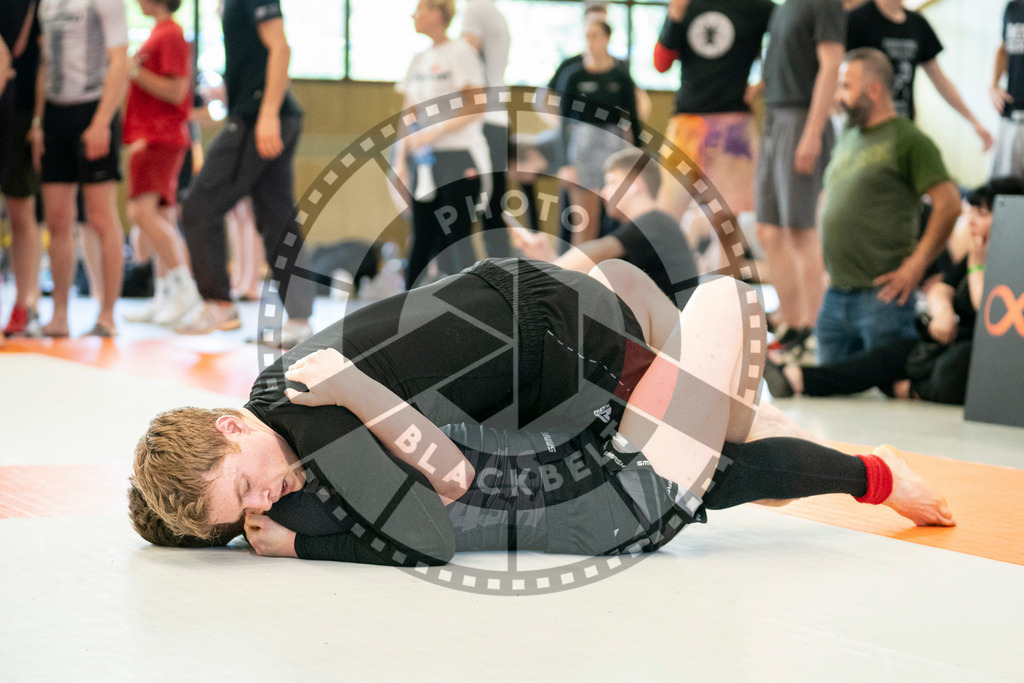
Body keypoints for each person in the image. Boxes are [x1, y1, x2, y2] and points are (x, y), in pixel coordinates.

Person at [131, 257, 954, 564]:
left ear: (230, 425)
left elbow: (437, 503)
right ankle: (862, 469)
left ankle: (868, 472)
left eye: (243, 486)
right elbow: (432, 508)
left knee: (716, 440)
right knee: (719, 424)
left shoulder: (304, 417)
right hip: (548, 342)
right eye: (242, 514)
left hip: (561, 354)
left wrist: (302, 542)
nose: (261, 501)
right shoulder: (283, 425)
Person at [766, 177, 1023, 405]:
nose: (971, 221)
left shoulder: (1004, 259)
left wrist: (977, 264)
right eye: (972, 211)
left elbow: (991, 313)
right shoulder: (978, 251)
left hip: (983, 354)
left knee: (955, 367)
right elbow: (942, 287)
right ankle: (798, 378)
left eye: (982, 213)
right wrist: (943, 311)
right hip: (948, 339)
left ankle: (910, 390)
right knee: (891, 354)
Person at [172, 0, 313, 349]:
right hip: (260, 112)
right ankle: (300, 321)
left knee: (199, 205)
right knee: (277, 218)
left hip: (257, 117)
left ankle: (219, 304)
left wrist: (267, 113)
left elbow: (280, 48)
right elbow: (256, 57)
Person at [817, 48, 960, 364]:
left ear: (873, 90)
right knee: (825, 389)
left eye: (846, 86)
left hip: (882, 297)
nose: (838, 95)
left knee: (889, 389)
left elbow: (949, 204)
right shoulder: (848, 137)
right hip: (835, 295)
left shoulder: (908, 139)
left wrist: (917, 264)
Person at [653, 0, 775, 277]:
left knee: (727, 221)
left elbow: (790, 42)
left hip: (733, 125)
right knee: (666, 214)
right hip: (687, 124)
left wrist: (761, 84)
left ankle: (727, 291)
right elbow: (660, 64)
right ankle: (658, 287)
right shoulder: (685, 5)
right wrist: (674, 16)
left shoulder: (758, 7)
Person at [755, 0, 846, 364]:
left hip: (800, 118)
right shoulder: (785, 7)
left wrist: (812, 132)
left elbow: (831, 64)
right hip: (775, 115)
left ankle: (813, 332)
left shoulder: (825, 4)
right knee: (768, 231)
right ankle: (793, 325)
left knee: (799, 230)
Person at [33, 0, 129, 338]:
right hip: (56, 113)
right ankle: (59, 315)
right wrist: (38, 122)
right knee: (57, 219)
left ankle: (107, 314)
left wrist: (101, 121)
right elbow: (46, 63)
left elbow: (120, 61)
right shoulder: (46, 4)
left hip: (93, 107)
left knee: (100, 217)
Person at [512, 147, 699, 309]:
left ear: (635, 185)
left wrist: (535, 274)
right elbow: (575, 275)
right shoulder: (648, 229)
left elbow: (595, 253)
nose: (603, 192)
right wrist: (546, 257)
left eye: (611, 183)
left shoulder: (656, 221)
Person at [394, 0, 490, 290]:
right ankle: (406, 307)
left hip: (459, 156)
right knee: (422, 237)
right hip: (425, 159)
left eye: (419, 9)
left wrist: (435, 131)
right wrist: (400, 160)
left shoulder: (461, 52)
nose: (413, 15)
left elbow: (477, 105)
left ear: (437, 14)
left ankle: (473, 307)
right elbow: (408, 112)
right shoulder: (419, 59)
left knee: (457, 238)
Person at [120, 0, 201, 327]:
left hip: (158, 135)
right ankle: (166, 294)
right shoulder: (161, 33)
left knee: (142, 213)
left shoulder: (170, 34)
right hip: (154, 134)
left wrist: (133, 71)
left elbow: (177, 90)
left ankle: (185, 288)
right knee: (161, 215)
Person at [847, 0, 993, 150]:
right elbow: (840, 76)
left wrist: (973, 121)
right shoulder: (857, 20)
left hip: (902, 128)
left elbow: (940, 79)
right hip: (866, 131)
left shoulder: (917, 24)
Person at [548, 19, 642, 247]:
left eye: (595, 35)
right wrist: (564, 164)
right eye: (587, 36)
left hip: (613, 148)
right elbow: (562, 124)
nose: (591, 41)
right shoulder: (574, 75)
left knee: (617, 222)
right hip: (583, 149)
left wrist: (638, 160)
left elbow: (633, 119)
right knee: (584, 224)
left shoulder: (620, 76)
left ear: (607, 38)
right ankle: (578, 268)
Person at [0, 0, 43, 338]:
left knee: (21, 210)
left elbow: (40, 61)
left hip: (20, 110)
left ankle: (24, 303)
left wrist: (38, 121)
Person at [460, 0, 512, 259]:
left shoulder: (475, 10)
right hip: (498, 119)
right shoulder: (496, 14)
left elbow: (463, 58)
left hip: (481, 122)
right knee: (493, 211)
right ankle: (503, 275)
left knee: (461, 210)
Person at [991, 0, 1024, 177]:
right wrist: (994, 86)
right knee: (1004, 185)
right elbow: (1004, 49)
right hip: (1011, 116)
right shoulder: (1013, 8)